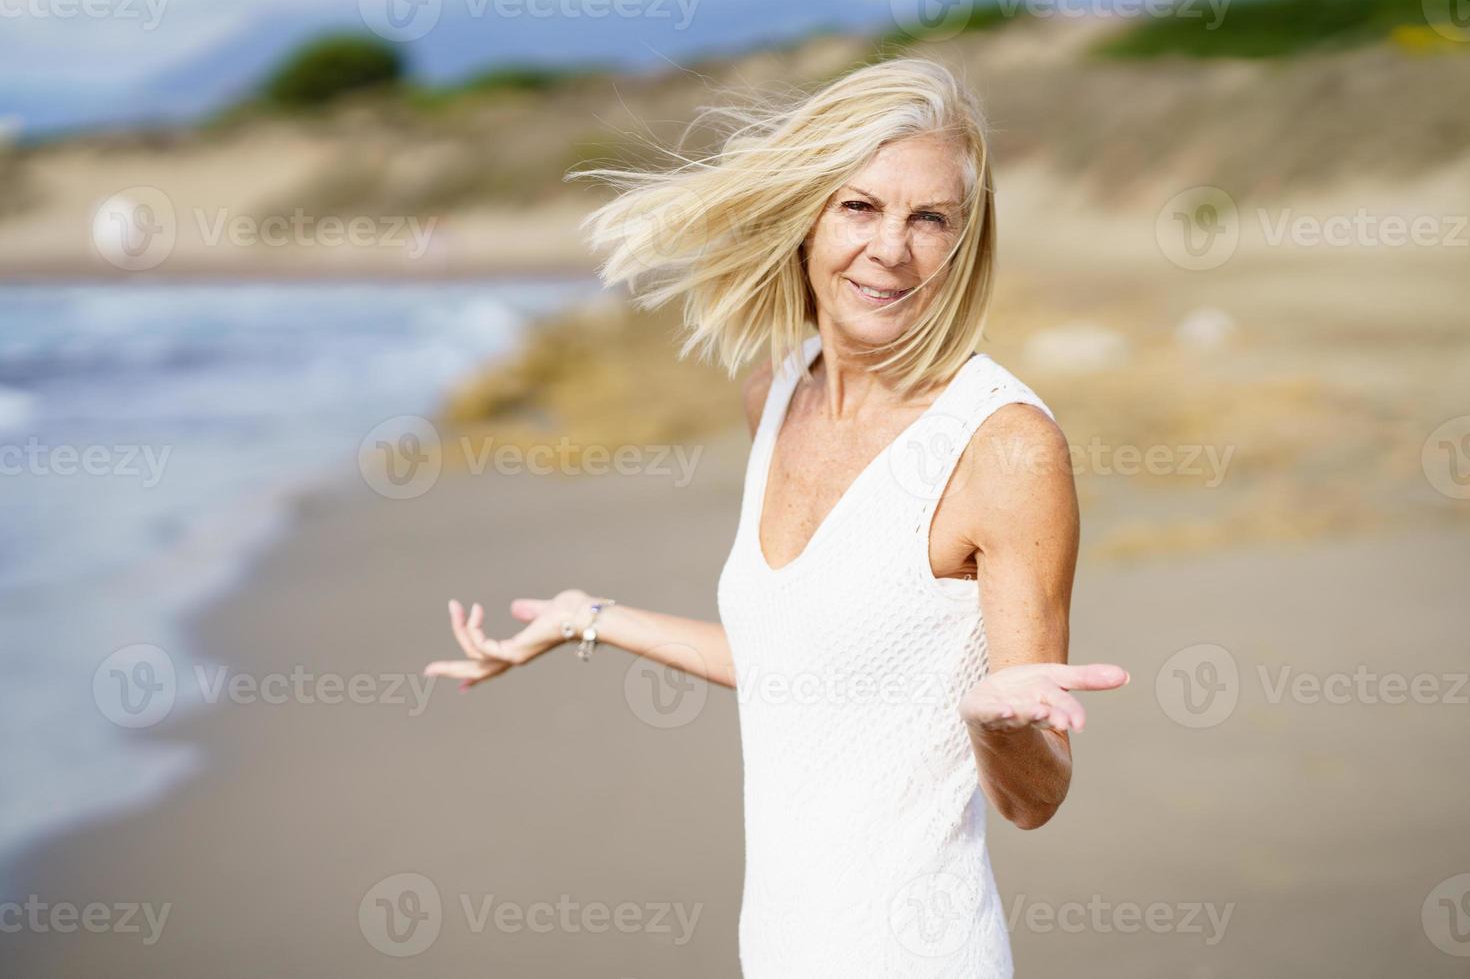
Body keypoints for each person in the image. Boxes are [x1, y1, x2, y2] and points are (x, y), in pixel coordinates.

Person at [425, 56, 1129, 978]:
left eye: (930, 219)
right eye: (859, 206)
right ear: (804, 215)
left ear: (964, 243)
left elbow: (1037, 798)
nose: (891, 248)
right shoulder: (779, 392)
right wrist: (587, 619)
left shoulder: (1002, 447)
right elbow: (794, 662)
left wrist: (994, 726)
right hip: (780, 948)